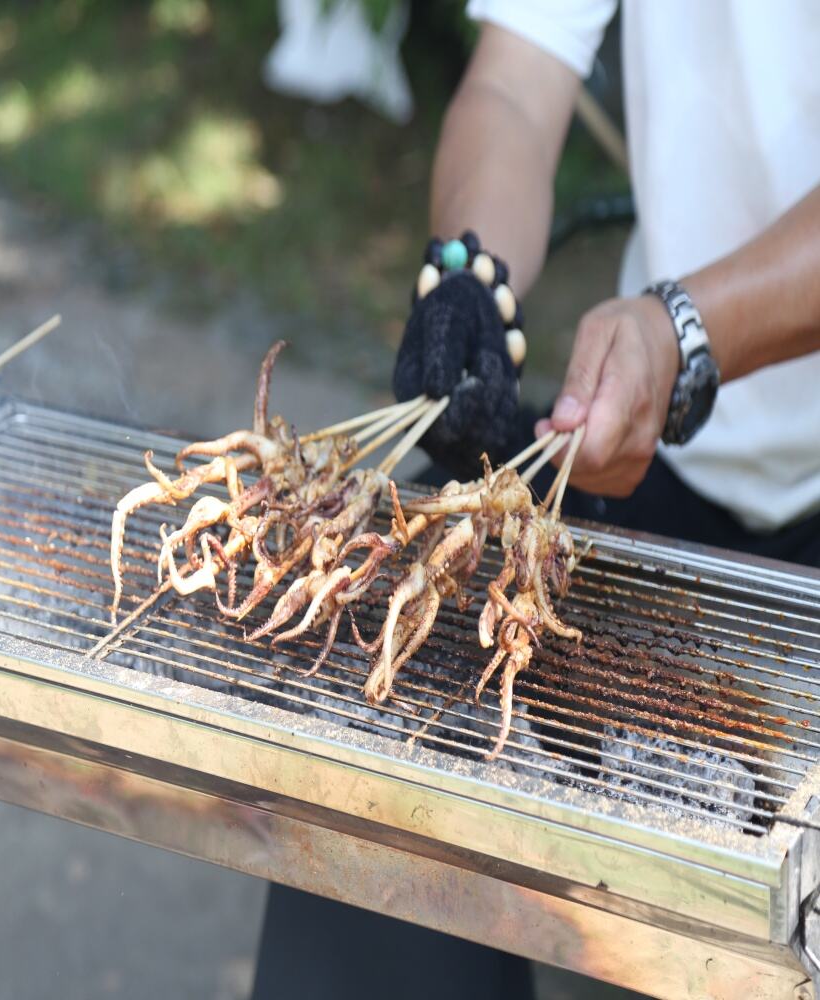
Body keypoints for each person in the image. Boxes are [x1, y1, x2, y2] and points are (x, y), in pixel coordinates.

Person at [251, 3, 820, 997]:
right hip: (667, 456)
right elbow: (514, 85)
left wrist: (686, 330)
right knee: (374, 728)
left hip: (685, 363)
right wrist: (469, 275)